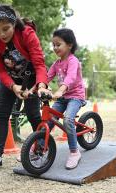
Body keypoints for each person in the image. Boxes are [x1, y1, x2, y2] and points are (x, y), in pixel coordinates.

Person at [0, 4, 50, 172]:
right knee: (2, 114)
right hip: (10, 79)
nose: (2, 34)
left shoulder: (27, 33)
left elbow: (39, 64)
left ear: (14, 23)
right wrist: (13, 86)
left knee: (33, 114)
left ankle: (41, 149)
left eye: (6, 28)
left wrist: (40, 85)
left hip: (32, 76)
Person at [47, 28, 86, 169]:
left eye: (59, 44)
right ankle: (37, 148)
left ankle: (75, 152)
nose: (55, 48)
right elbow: (46, 77)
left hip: (75, 96)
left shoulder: (73, 61)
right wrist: (36, 88)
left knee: (68, 119)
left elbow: (70, 78)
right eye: (54, 45)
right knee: (48, 118)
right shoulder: (56, 64)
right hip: (63, 97)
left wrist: (60, 90)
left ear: (69, 45)